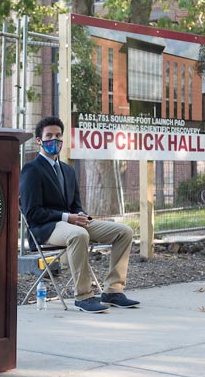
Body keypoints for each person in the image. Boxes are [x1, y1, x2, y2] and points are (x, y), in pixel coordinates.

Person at [19, 116, 139, 313]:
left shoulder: (67, 170)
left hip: (72, 224)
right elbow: (33, 213)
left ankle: (113, 291)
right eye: (49, 136)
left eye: (58, 136)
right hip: (45, 228)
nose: (54, 140)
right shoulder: (31, 170)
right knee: (79, 234)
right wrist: (68, 218)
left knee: (123, 231)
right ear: (39, 140)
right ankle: (83, 296)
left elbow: (76, 206)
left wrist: (83, 217)